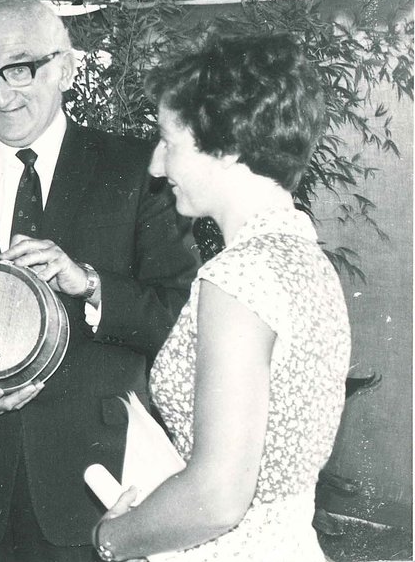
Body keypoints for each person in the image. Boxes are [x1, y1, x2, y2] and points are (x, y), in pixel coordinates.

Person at [0, 0, 198, 561]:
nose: (2, 94)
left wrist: (93, 285)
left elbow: (184, 318)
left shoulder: (137, 169)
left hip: (99, 500)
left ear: (66, 69)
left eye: (21, 69)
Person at [91, 33, 351, 561]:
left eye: (170, 142)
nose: (156, 166)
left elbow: (217, 498)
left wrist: (112, 539)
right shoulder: (304, 258)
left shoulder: (239, 277)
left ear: (227, 145)